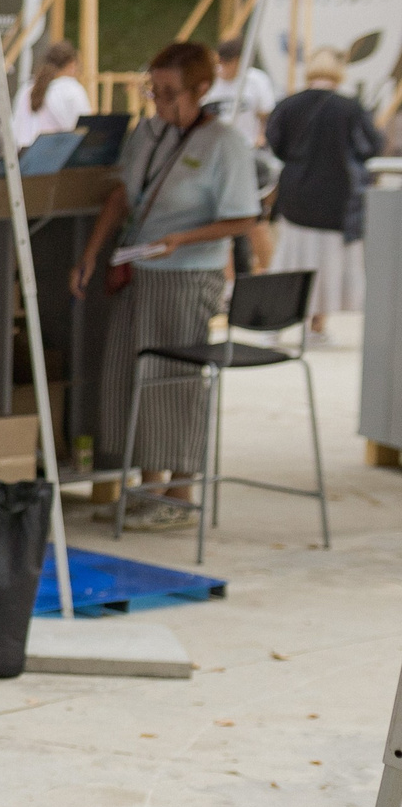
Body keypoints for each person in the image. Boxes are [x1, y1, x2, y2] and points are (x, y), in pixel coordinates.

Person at [72, 41, 262, 531]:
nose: (158, 102)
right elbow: (121, 195)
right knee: (128, 377)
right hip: (137, 267)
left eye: (169, 93)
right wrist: (92, 252)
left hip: (186, 275)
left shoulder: (224, 142)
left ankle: (179, 493)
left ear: (201, 89)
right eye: (152, 91)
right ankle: (146, 486)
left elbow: (243, 217)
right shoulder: (148, 132)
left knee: (172, 384)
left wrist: (183, 239)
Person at [267, 47, 383, 342]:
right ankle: (318, 325)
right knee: (328, 266)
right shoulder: (350, 108)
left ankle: (277, 322)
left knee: (292, 261)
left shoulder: (288, 104)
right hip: (336, 198)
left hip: (295, 198)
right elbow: (372, 145)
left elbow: (275, 143)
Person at [10, 40, 92, 153]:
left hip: (23, 160)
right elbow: (84, 130)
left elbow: (14, 129)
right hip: (55, 160)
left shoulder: (26, 89)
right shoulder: (72, 89)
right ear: (72, 64)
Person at [216, 36, 276, 149]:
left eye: (230, 63)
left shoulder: (257, 80)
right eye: (224, 62)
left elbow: (265, 115)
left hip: (246, 145)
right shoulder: (209, 80)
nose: (226, 67)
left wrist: (261, 137)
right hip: (214, 145)